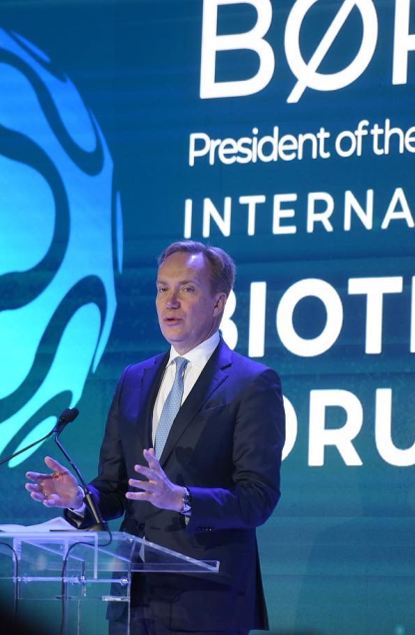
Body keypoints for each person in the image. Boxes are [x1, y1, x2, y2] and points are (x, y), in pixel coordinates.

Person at [25, 240, 286, 635]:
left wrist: (181, 498)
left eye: (187, 288)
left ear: (219, 302)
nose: (171, 301)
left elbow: (257, 499)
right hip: (132, 601)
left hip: (206, 601)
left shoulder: (252, 384)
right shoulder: (134, 378)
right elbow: (115, 488)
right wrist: (80, 498)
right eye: (163, 288)